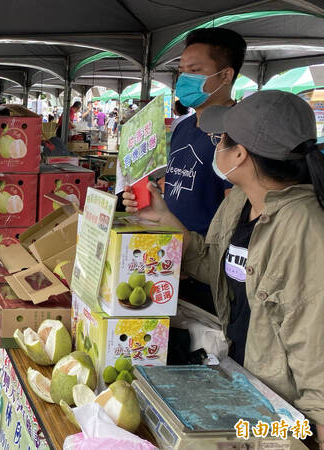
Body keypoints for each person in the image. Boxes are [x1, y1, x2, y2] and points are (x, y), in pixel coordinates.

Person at [123, 90, 324, 446]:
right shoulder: (242, 203)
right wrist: (163, 217)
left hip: (285, 410)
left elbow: (313, 339)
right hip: (244, 382)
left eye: (220, 140)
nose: (215, 146)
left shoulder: (304, 227)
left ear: (240, 154)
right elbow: (210, 263)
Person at [164, 27, 246, 314]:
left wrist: (196, 260)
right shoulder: (183, 127)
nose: (184, 78)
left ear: (226, 75)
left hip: (208, 278)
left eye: (195, 70)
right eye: (181, 70)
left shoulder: (236, 135)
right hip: (170, 262)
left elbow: (239, 217)